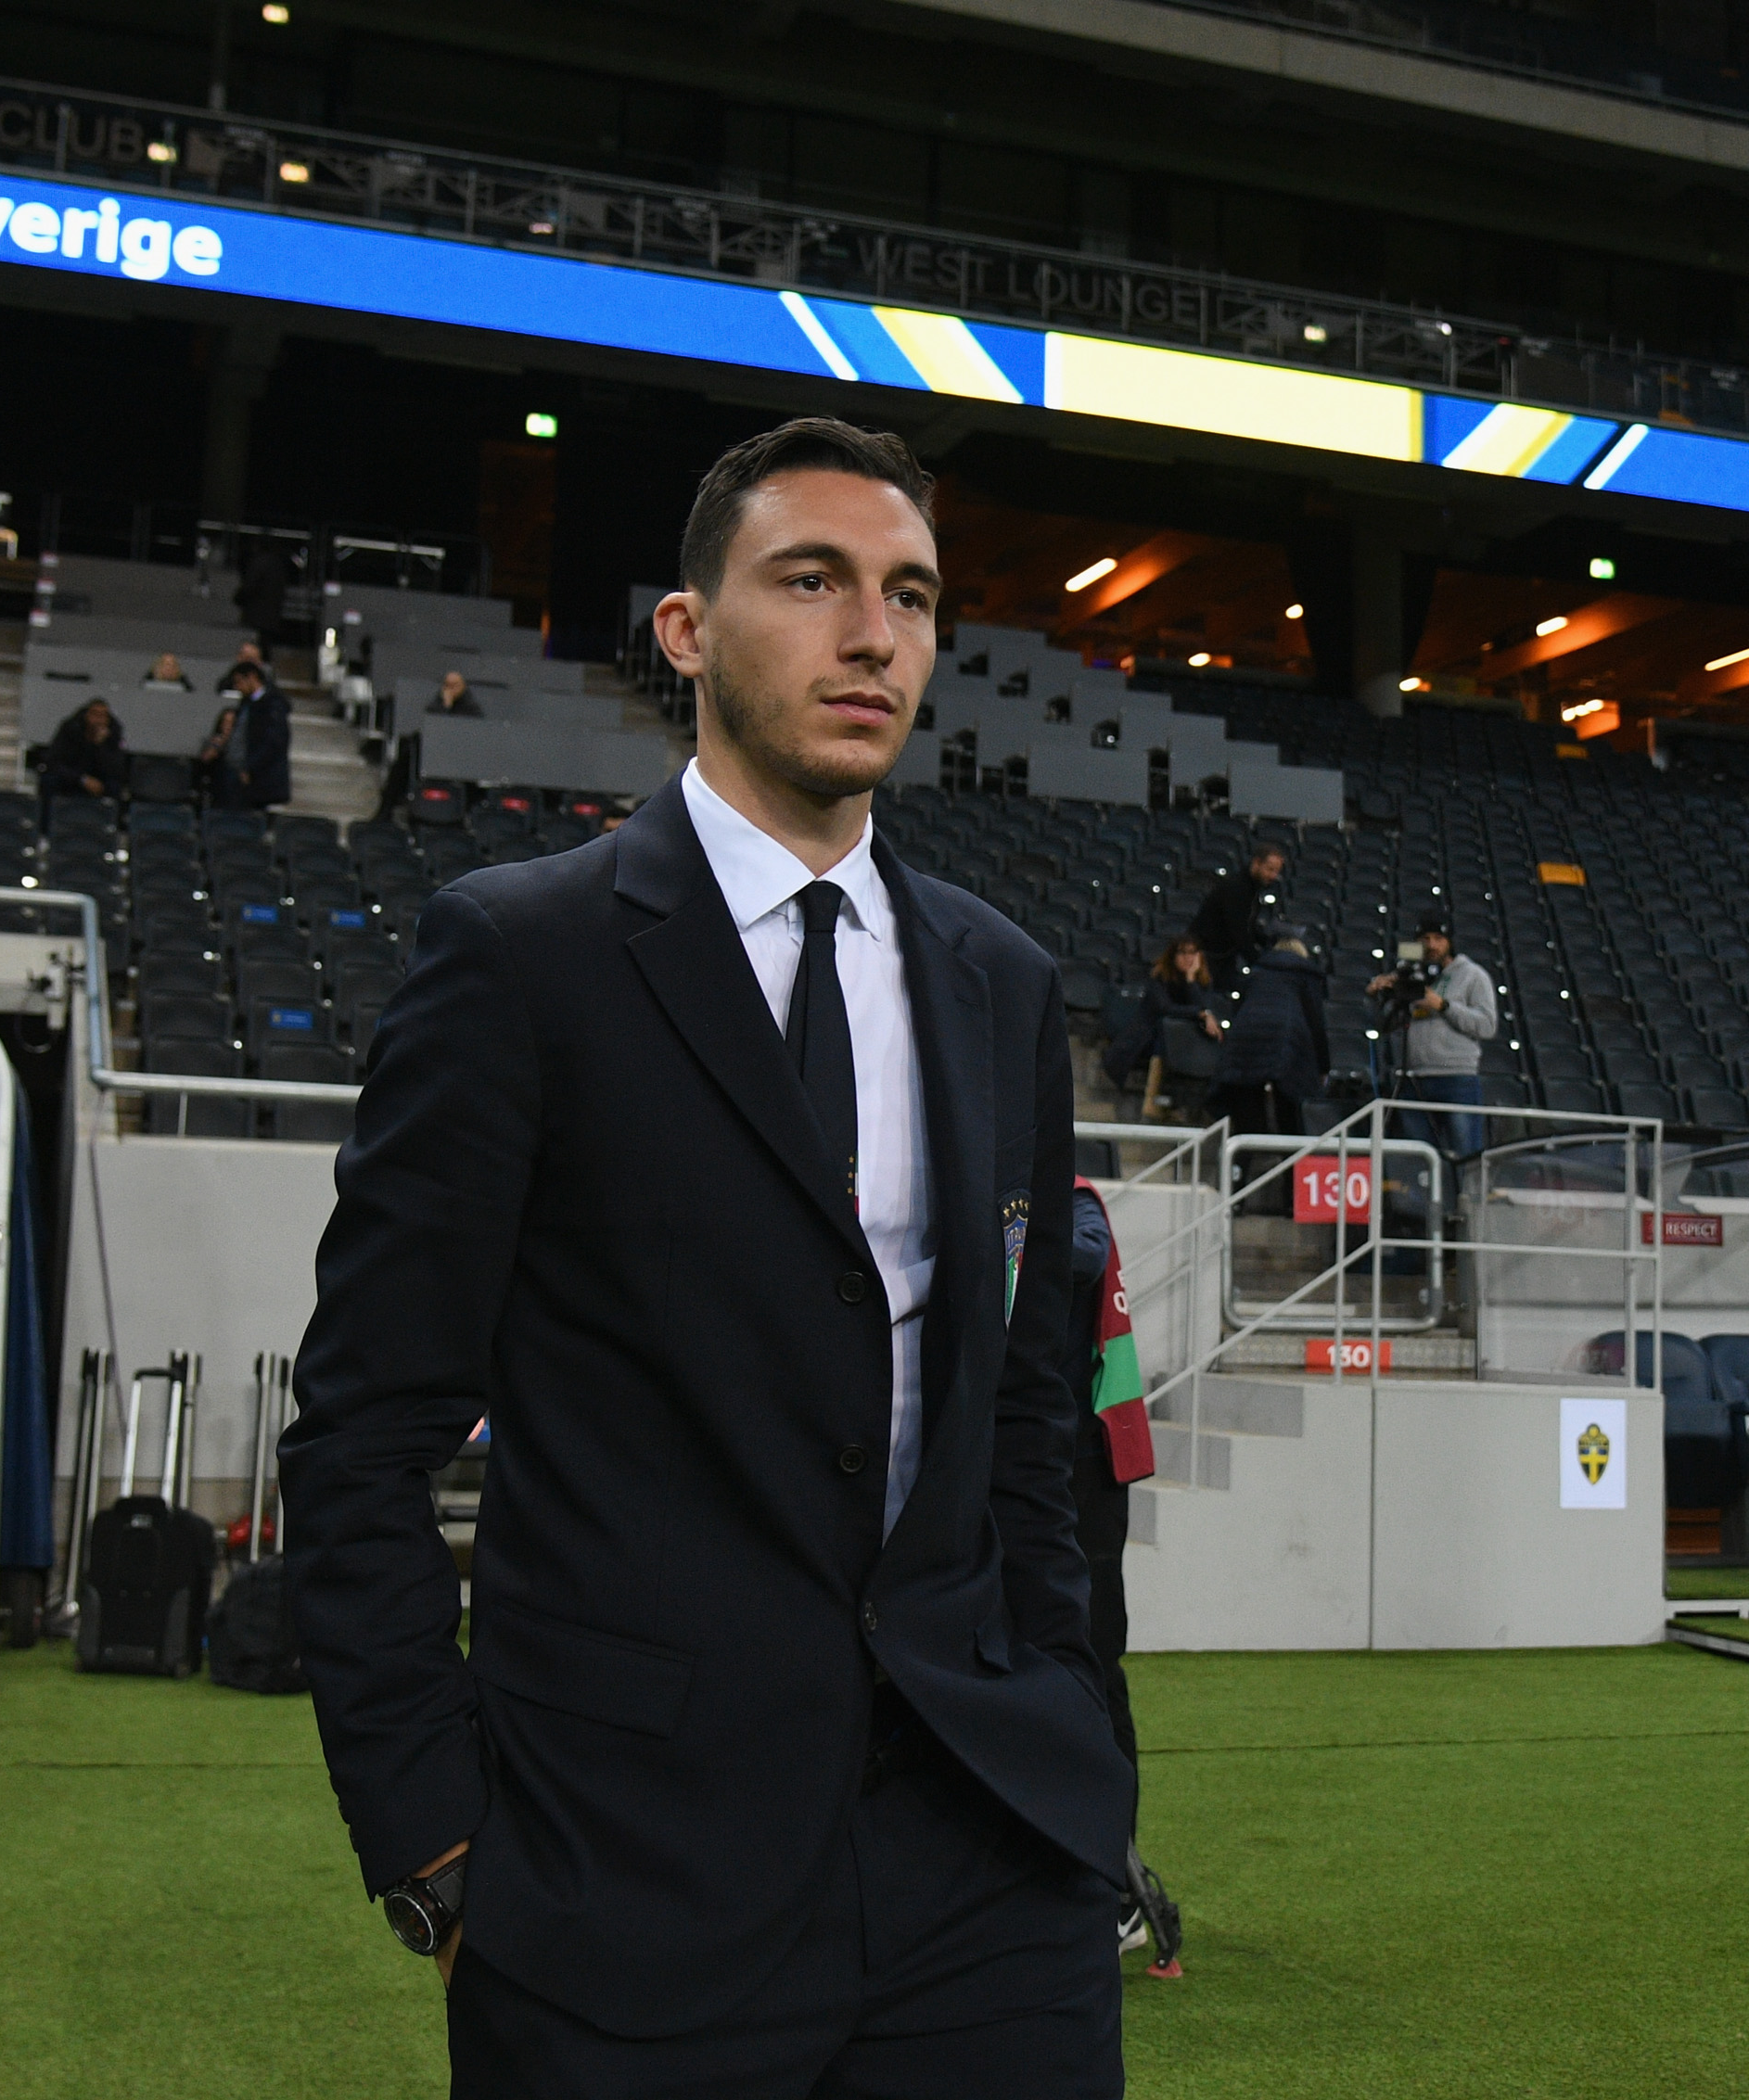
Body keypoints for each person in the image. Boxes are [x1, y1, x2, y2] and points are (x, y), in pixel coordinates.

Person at [281, 416, 1130, 2094]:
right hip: (621, 1872)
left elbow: (1030, 1415)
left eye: (910, 595)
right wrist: (434, 1838)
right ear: (686, 630)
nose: (871, 634)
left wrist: (1078, 1734)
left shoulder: (1003, 983)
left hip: (987, 1867)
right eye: (809, 580)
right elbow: (364, 1433)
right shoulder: (522, 956)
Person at [1063, 1179, 1177, 1973]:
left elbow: (1077, 1258)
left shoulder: (1073, 1205)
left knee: (1098, 1675)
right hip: (1042, 1472)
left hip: (1090, 1474)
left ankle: (1120, 1889)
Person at [1214, 923, 1328, 1215]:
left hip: (1245, 1046)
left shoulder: (1258, 971)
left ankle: (1233, 1198)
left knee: (1247, 1127)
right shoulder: (1307, 974)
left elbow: (1238, 1013)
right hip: (1288, 1046)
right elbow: (1316, 1023)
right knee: (1290, 1127)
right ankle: (1293, 1200)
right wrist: (1322, 1066)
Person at [1372, 916, 1499, 1164]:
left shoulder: (1473, 975)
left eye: (1438, 938)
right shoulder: (1409, 977)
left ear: (1450, 942)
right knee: (1414, 1158)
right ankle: (1423, 1203)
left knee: (1466, 1155)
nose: (1432, 945)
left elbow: (1487, 1026)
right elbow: (1385, 1026)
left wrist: (1443, 1005)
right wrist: (1379, 996)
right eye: (1425, 939)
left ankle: (1466, 1200)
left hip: (1456, 1079)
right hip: (1414, 1078)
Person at [1103, 935, 1224, 1122]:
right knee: (1167, 1032)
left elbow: (1205, 1006)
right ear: (1173, 956)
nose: (1188, 958)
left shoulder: (1202, 982)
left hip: (1185, 1045)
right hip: (1145, 1042)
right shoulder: (1159, 978)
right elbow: (1166, 1009)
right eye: (1183, 953)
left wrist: (1191, 981)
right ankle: (1154, 1100)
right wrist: (1201, 1014)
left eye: (1193, 953)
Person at [1185, 844, 1285, 974]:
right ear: (1256, 863)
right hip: (1206, 957)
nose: (1273, 876)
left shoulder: (1251, 889)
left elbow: (1247, 926)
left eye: (1276, 871)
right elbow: (1238, 929)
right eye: (1270, 869)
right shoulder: (1237, 888)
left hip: (1222, 956)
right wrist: (1257, 961)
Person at [211, 657, 292, 810]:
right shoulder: (246, 703)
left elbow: (272, 742)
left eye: (239, 681)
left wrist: (250, 767)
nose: (237, 687)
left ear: (252, 677)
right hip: (238, 775)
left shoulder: (272, 706)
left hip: (259, 779)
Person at [39, 697, 131, 819]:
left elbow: (116, 769)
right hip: (72, 778)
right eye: (95, 714)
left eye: (103, 716)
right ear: (87, 715)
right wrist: (82, 779)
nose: (98, 720)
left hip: (100, 781)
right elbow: (54, 761)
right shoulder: (70, 729)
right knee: (49, 780)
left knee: (117, 789)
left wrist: (99, 746)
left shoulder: (114, 734)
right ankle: (46, 825)